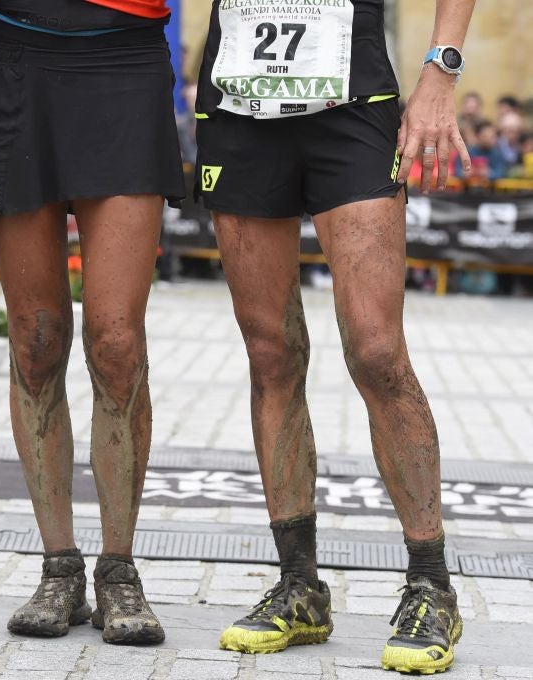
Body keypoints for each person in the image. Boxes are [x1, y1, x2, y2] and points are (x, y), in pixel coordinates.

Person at [194, 0, 474, 673]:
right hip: (237, 104)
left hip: (352, 103)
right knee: (271, 354)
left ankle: (431, 584)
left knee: (377, 353)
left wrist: (441, 68)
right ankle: (299, 586)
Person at [0, 0, 185, 645]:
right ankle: (59, 567)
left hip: (123, 54)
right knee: (37, 340)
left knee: (117, 342)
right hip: (9, 58)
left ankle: (119, 569)